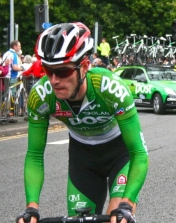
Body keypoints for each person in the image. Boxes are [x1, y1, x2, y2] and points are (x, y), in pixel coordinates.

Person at [16, 22, 149, 223]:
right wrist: (31, 209)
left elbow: (139, 153)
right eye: (47, 70)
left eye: (62, 71)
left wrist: (127, 204)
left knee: (116, 216)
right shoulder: (41, 96)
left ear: (84, 67)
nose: (54, 80)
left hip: (119, 155)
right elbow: (34, 155)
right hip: (82, 158)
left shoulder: (110, 89)